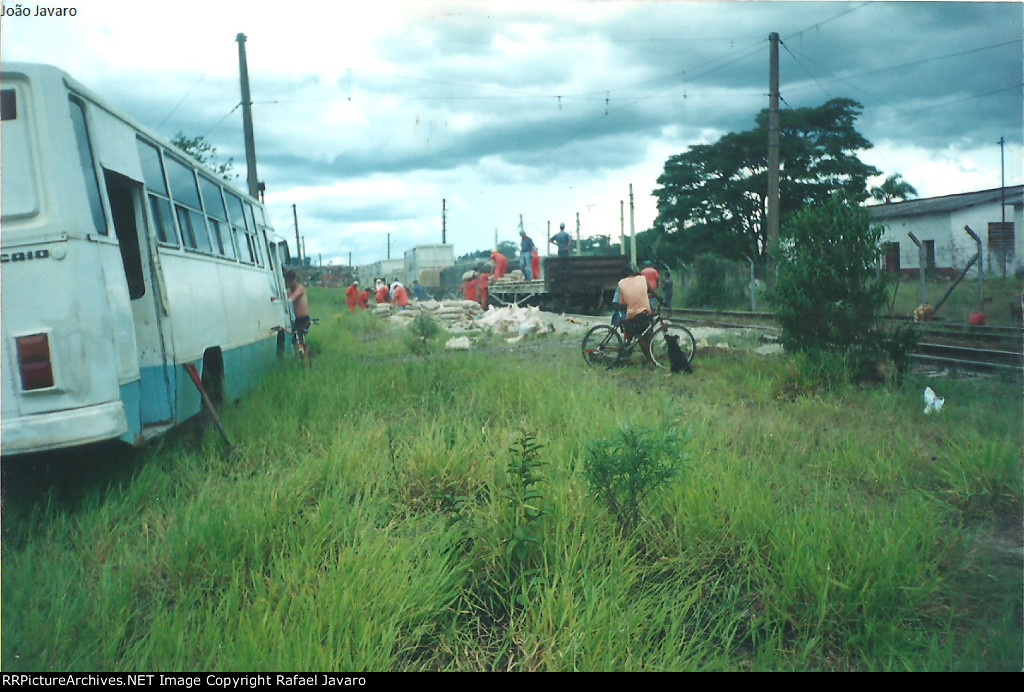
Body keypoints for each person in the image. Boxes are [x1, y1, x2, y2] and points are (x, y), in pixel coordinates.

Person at [615, 266, 660, 363]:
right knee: (644, 336)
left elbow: (621, 303)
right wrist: (662, 300)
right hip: (645, 312)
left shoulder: (621, 283)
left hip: (632, 314)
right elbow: (654, 291)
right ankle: (649, 359)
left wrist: (630, 298)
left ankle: (648, 358)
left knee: (639, 335)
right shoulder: (643, 279)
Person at [286, 270, 311, 336]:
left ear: (295, 279)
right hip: (295, 320)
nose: (290, 283)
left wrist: (287, 298)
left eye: (292, 281)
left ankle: (302, 345)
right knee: (293, 338)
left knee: (298, 339)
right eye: (289, 281)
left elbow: (291, 299)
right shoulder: (289, 291)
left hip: (304, 320)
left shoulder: (300, 288)